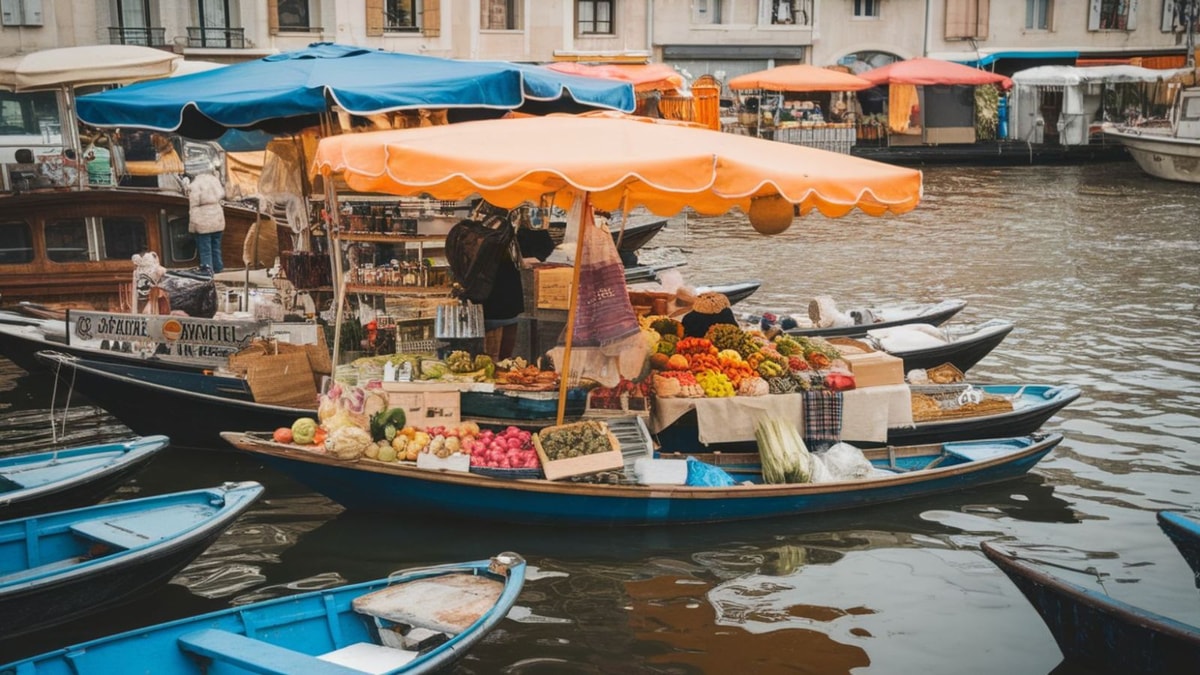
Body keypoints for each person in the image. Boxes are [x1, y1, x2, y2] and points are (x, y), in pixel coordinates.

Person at [186, 170, 227, 274]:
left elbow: (194, 203)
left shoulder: (195, 184)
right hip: (217, 217)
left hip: (203, 219)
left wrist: (192, 226)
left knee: (205, 250)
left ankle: (207, 272)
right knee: (216, 247)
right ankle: (218, 268)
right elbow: (222, 193)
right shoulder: (215, 181)